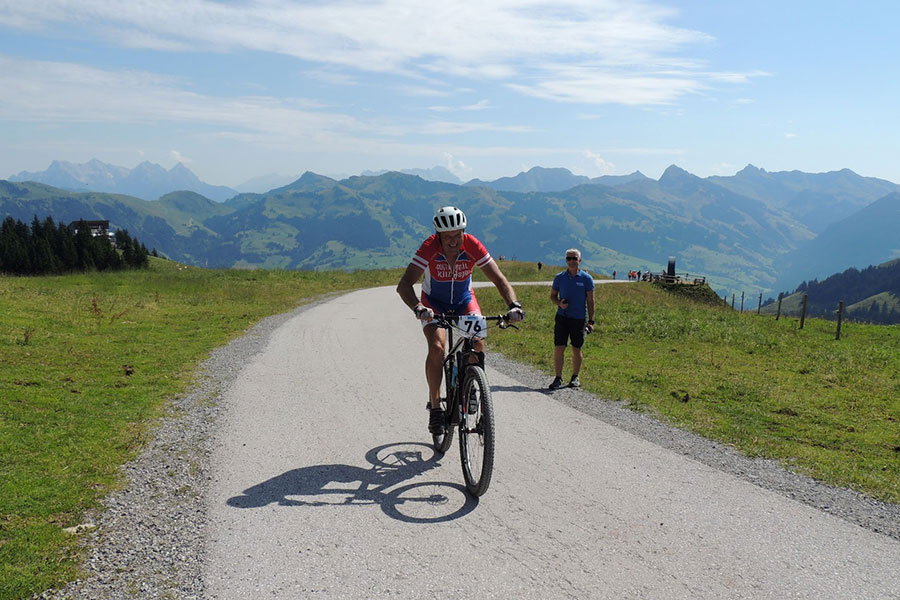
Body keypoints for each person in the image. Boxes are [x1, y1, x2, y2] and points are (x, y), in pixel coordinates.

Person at [397, 206, 525, 434]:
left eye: (458, 235)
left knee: (477, 341)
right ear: (438, 236)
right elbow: (404, 285)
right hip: (433, 303)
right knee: (437, 347)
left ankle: (474, 386)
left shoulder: (472, 244)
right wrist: (418, 307)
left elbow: (499, 279)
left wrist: (513, 304)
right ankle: (436, 407)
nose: (454, 241)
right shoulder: (429, 248)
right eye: (448, 237)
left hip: (465, 300)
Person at [548, 248, 595, 390]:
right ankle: (558, 377)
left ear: (579, 260)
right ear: (566, 260)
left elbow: (591, 301)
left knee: (576, 348)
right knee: (559, 348)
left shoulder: (587, 279)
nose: (571, 261)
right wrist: (559, 304)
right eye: (569, 258)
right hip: (562, 317)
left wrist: (591, 321)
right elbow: (552, 296)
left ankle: (575, 377)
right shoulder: (559, 277)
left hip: (579, 319)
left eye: (574, 258)